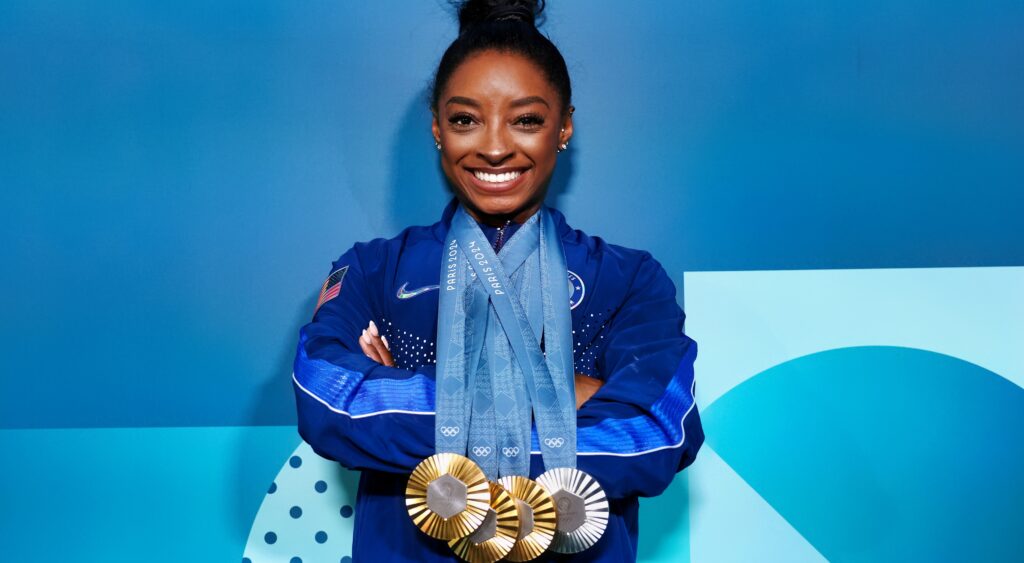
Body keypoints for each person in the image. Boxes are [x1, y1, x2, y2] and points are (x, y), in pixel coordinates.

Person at [292, 1, 704, 561]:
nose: (493, 146)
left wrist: (411, 397)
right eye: (465, 119)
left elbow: (656, 434)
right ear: (438, 129)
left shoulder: (628, 280)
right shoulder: (373, 269)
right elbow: (327, 399)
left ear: (564, 127)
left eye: (526, 119)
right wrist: (565, 395)